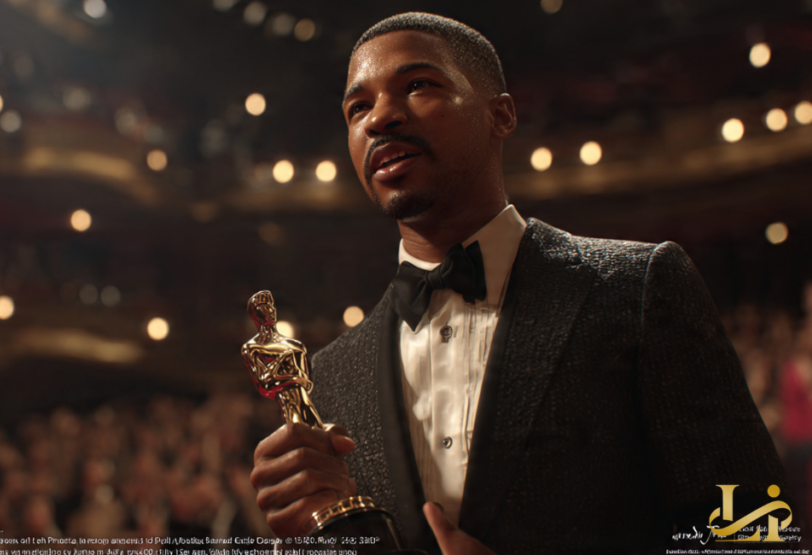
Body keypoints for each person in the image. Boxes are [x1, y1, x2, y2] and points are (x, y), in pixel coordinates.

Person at [249, 12, 789, 554]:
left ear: (501, 115)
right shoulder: (331, 374)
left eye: (417, 85)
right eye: (357, 107)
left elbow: (756, 534)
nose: (380, 117)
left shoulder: (638, 289)